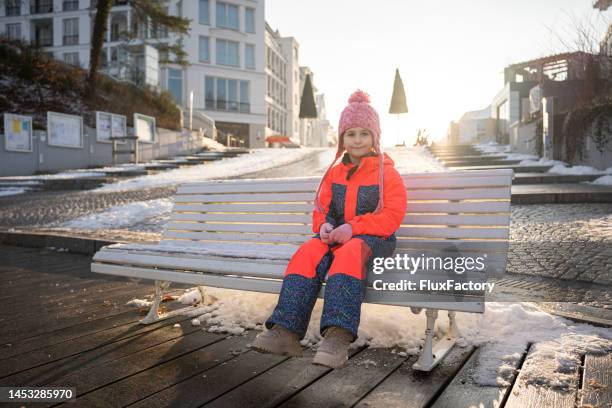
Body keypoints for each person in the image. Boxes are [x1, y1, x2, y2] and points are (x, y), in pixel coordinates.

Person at [249, 90, 407, 368]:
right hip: (338, 236)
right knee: (308, 251)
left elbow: (391, 215)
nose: (357, 140)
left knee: (349, 254)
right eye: (350, 134)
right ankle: (285, 330)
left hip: (374, 239)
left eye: (363, 133)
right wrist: (324, 226)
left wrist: (354, 228)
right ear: (341, 138)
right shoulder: (335, 172)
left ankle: (337, 336)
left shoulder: (387, 174)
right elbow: (322, 207)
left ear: (375, 137)